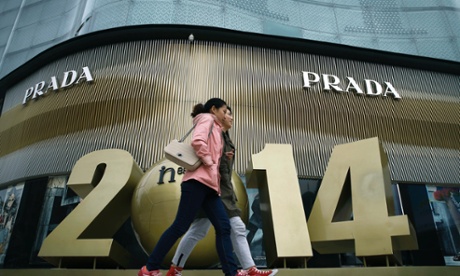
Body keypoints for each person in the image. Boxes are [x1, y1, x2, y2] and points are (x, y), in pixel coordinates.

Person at [138, 98, 246, 276]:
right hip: (196, 183)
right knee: (180, 226)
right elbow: (197, 141)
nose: (226, 114)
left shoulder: (217, 129)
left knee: (224, 226)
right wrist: (210, 162)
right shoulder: (207, 119)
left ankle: (231, 273)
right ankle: (149, 268)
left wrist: (221, 158)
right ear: (214, 109)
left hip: (210, 188)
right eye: (224, 110)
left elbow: (208, 147)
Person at [167, 107, 278, 276]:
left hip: (220, 190)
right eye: (227, 113)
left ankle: (176, 268)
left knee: (202, 229)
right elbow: (204, 154)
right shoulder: (213, 132)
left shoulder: (225, 137)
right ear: (218, 114)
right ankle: (250, 269)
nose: (231, 117)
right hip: (211, 189)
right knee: (229, 228)